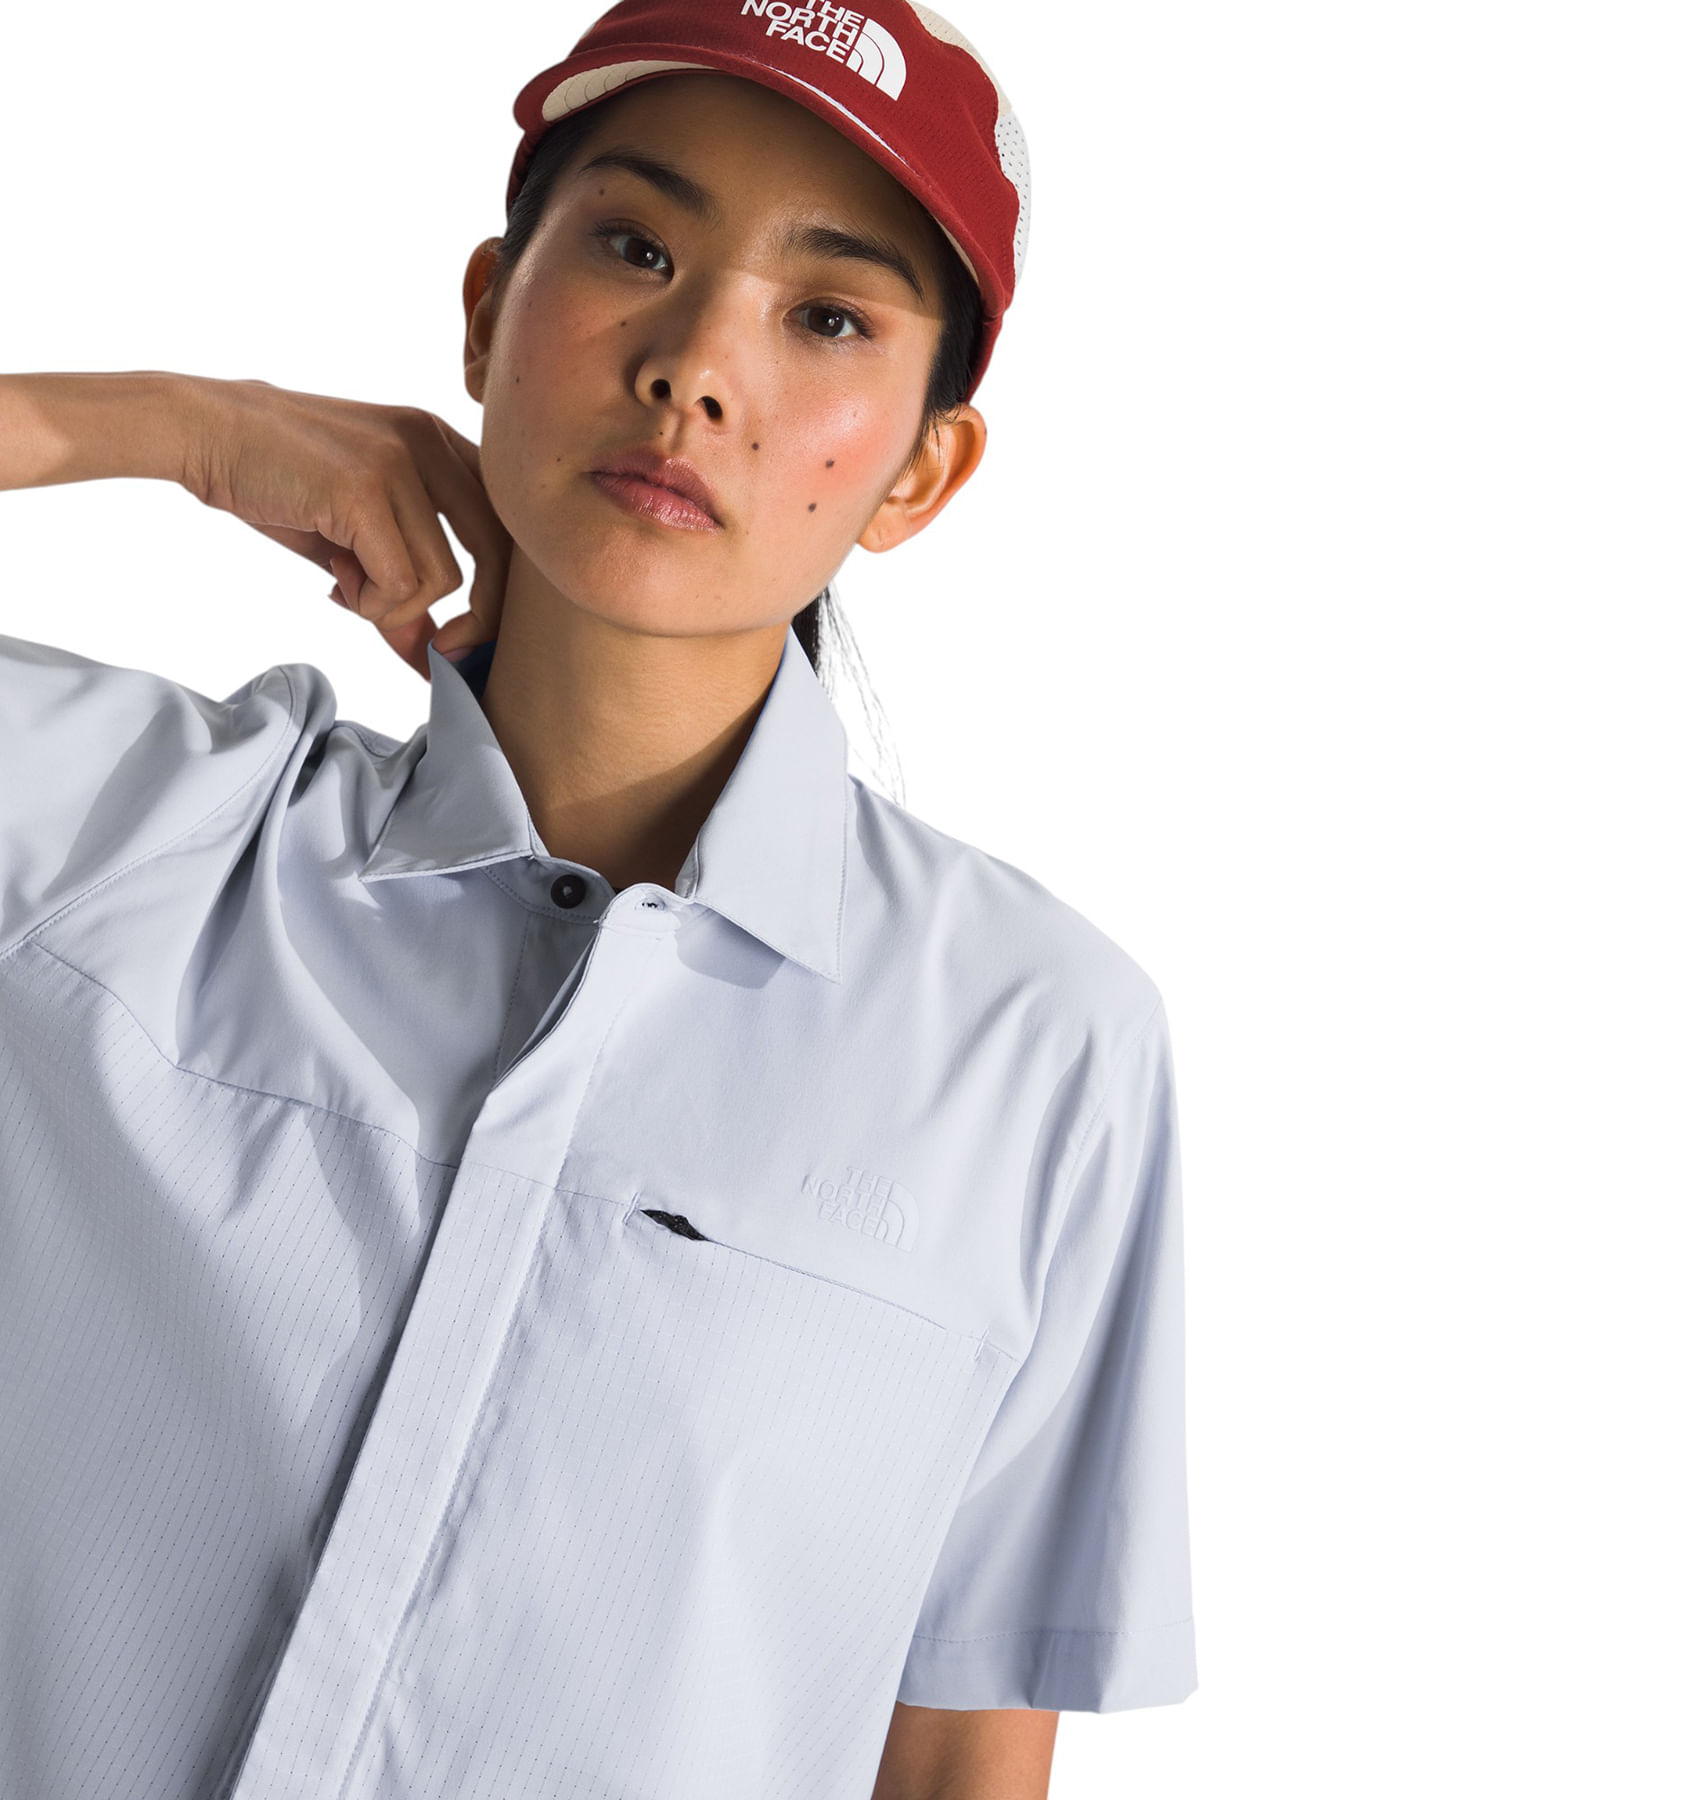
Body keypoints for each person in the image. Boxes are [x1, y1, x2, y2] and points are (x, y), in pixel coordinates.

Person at [0, 4, 1196, 1797]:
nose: (698, 366)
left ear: (921, 470)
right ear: (488, 311)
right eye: (637, 246)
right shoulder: (118, 841)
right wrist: (176, 423)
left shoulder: (1038, 1051)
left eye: (829, 317)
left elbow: (957, 1750)